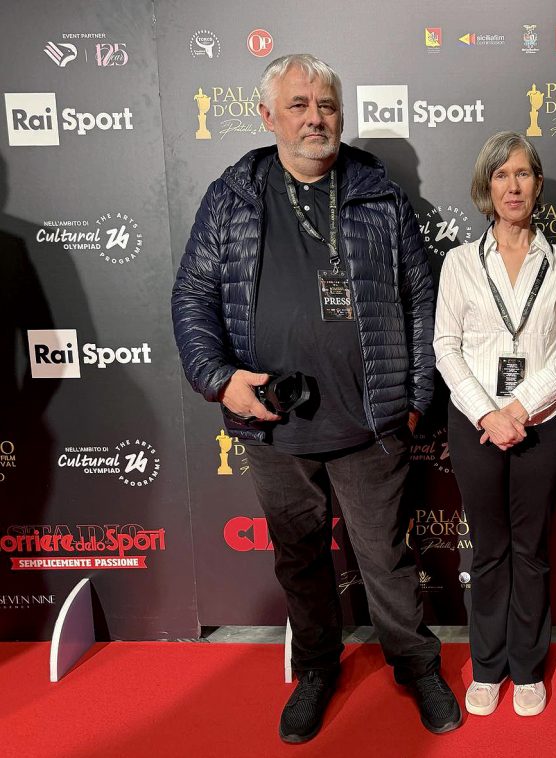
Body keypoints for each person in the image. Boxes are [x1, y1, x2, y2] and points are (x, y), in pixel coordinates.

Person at [171, 53, 461, 743]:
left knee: (386, 559)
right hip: (274, 424)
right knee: (300, 560)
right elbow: (193, 295)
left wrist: (416, 393)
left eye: (326, 104)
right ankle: (315, 671)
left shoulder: (380, 194)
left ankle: (416, 665)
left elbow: (422, 298)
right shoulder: (232, 197)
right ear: (267, 116)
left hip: (371, 422)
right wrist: (219, 379)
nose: (315, 118)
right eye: (298, 105)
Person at [434, 131, 556, 717]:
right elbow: (445, 347)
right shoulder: (458, 263)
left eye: (523, 173)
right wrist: (488, 413)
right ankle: (487, 665)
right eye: (501, 175)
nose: (513, 185)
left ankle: (526, 668)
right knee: (489, 549)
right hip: (475, 424)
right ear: (487, 186)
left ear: (538, 183)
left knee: (530, 548)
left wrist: (519, 408)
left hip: (541, 422)